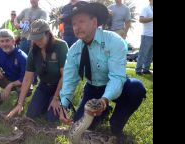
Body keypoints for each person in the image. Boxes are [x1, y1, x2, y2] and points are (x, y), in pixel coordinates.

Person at [55, 1, 146, 141]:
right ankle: (102, 113)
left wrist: (104, 100)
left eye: (81, 21)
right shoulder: (74, 50)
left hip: (117, 85)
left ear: (94, 21)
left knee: (136, 88)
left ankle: (117, 123)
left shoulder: (114, 41)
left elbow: (116, 77)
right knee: (81, 125)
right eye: (73, 23)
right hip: (92, 89)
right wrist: (63, 105)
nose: (77, 27)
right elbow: (69, 80)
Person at [6, 19, 68, 122]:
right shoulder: (33, 51)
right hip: (44, 86)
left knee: (52, 119)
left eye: (40, 38)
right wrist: (20, 104)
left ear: (48, 34)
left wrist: (56, 98)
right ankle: (46, 103)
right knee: (31, 115)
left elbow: (65, 75)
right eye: (34, 39)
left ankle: (60, 103)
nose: (37, 42)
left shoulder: (61, 46)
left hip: (60, 87)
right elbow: (27, 78)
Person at [0, 29, 27, 106]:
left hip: (20, 83)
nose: (4, 44)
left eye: (7, 41)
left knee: (27, 87)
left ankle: (20, 102)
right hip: (6, 79)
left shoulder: (22, 56)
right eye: (2, 41)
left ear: (13, 41)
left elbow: (26, 78)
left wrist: (11, 85)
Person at [135, 0, 153, 75]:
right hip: (147, 35)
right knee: (143, 53)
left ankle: (146, 69)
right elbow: (141, 19)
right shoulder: (146, 8)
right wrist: (152, 18)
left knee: (150, 54)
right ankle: (138, 70)